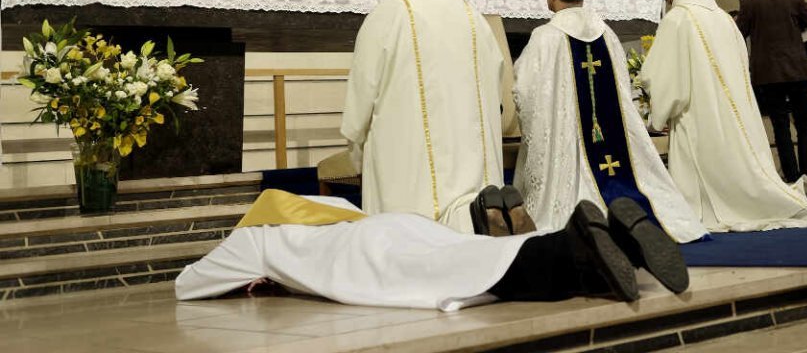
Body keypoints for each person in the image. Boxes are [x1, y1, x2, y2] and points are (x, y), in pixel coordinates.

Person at [512, 0, 706, 277]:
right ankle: (630, 222)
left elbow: (525, 93)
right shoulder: (607, 34)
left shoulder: (545, 37)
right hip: (615, 152)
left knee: (556, 215)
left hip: (569, 156)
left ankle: (595, 227)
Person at [176, 189, 684, 306]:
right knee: (464, 254)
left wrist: (246, 272)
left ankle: (574, 246)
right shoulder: (314, 203)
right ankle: (622, 246)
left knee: (456, 274)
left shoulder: (253, 236)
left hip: (361, 253)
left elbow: (187, 286)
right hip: (387, 224)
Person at [640, 0, 807, 232]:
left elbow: (664, 80)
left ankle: (794, 197)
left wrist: (656, 117)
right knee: (756, 170)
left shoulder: (678, 19)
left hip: (700, 120)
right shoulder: (722, 18)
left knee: (710, 204)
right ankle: (794, 194)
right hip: (739, 117)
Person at [340, 0, 507, 232]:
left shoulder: (389, 14)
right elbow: (496, 89)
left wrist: (356, 144)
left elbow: (362, 93)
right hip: (473, 174)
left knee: (408, 241)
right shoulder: (474, 18)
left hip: (408, 174)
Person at [736, 0, 807, 181]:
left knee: (780, 127)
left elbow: (738, 34)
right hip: (796, 71)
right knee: (804, 126)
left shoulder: (749, 3)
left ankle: (792, 177)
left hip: (767, 75)